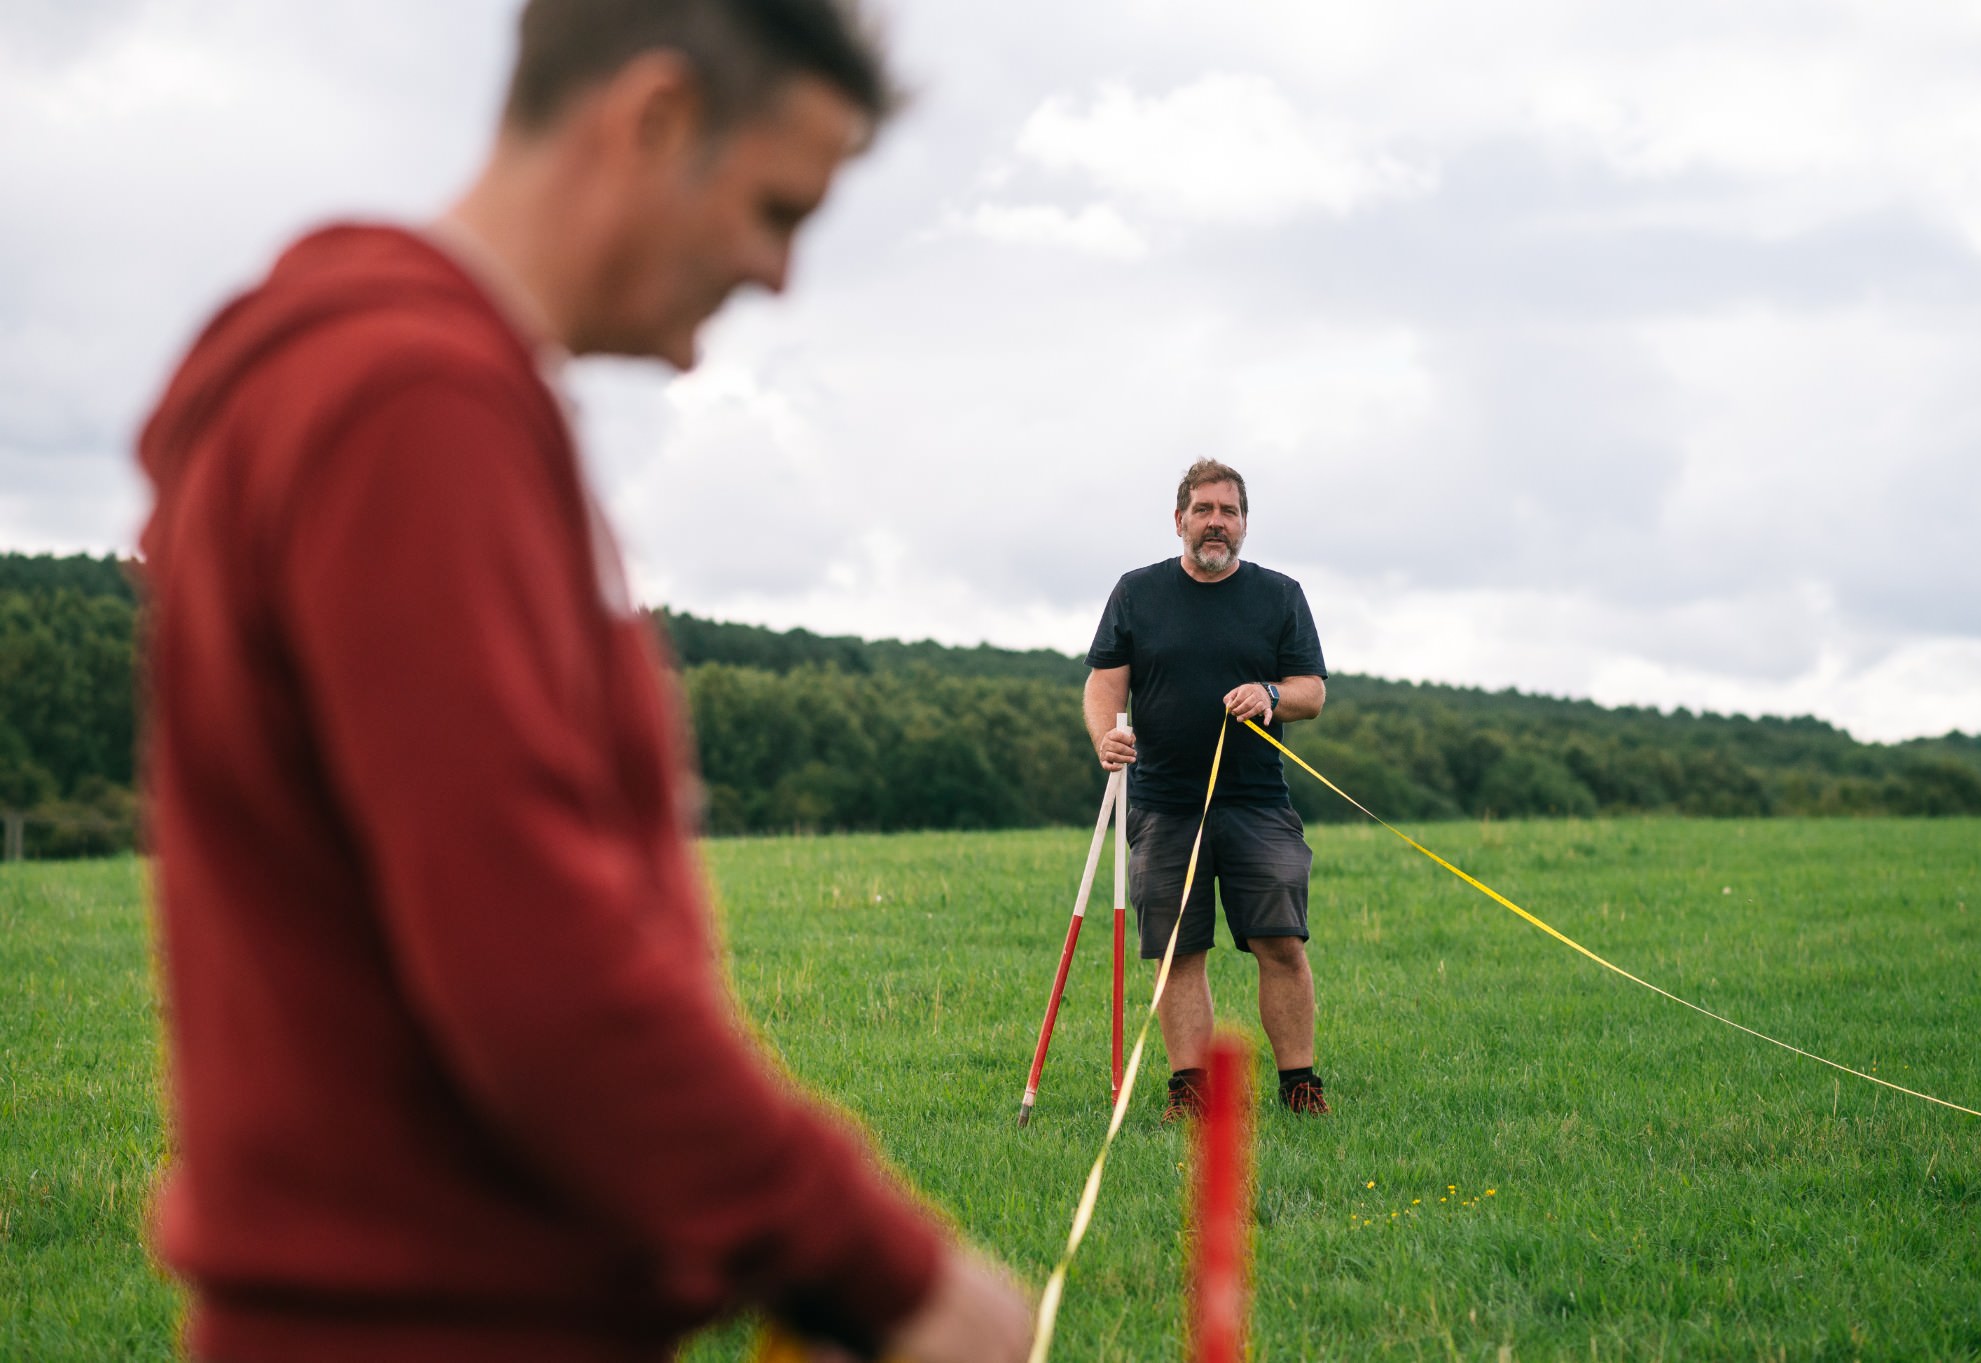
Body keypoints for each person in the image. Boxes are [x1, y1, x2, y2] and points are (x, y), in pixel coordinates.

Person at [135, 3, 1032, 1361]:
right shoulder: (411, 403)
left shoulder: (368, 380)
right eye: (777, 206)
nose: (781, 274)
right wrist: (889, 1268)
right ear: (654, 121)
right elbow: (530, 958)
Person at [1083, 460, 1331, 1120]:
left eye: (1228, 510)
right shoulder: (1138, 593)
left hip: (1258, 802)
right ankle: (1190, 1092)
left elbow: (1312, 691)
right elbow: (1105, 682)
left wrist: (1272, 693)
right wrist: (1106, 736)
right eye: (1203, 509)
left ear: (1244, 522)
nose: (1216, 520)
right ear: (1180, 520)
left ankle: (1300, 1086)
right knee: (1177, 952)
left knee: (1281, 943)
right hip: (1164, 805)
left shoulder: (1280, 595)